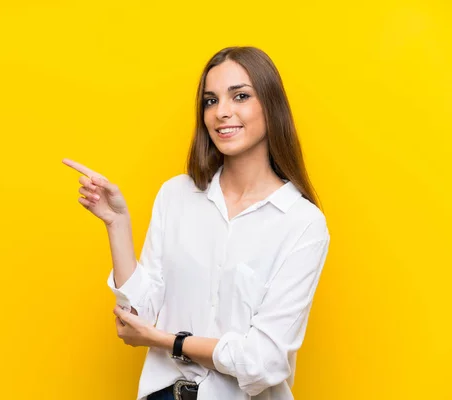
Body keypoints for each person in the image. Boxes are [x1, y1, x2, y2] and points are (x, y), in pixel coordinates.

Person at [63, 46, 330, 400]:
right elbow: (138, 318)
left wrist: (169, 341)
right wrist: (117, 224)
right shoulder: (176, 195)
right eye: (210, 100)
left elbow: (263, 361)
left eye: (240, 96)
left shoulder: (302, 223)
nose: (222, 112)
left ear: (271, 105)